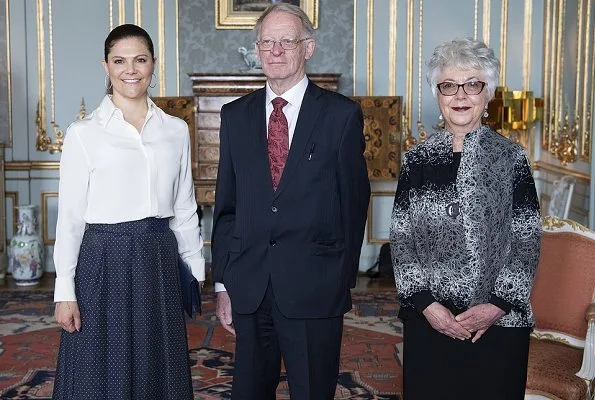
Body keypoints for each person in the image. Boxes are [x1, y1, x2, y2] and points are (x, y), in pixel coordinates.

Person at [211, 3, 370, 399]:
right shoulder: (235, 116)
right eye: (267, 42)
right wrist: (222, 283)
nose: (275, 51)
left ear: (309, 48)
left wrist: (339, 280)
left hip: (315, 287)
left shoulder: (341, 116)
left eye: (287, 41)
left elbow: (354, 205)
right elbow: (227, 206)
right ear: (257, 48)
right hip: (249, 286)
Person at [52, 24, 205, 400]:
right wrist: (64, 291)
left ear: (154, 64)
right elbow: (70, 219)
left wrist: (195, 270)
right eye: (119, 61)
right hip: (103, 258)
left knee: (158, 364)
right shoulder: (82, 134)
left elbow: (185, 207)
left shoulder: (175, 130)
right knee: (96, 364)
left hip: (159, 258)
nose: (130, 70)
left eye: (140, 60)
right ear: (106, 66)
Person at [390, 37, 541, 400]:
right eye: (448, 85)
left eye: (472, 84)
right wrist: (428, 305)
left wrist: (497, 306)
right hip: (429, 320)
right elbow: (401, 239)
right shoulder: (417, 161)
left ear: (487, 94)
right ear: (437, 94)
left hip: (498, 323)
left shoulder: (511, 159)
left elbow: (527, 240)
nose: (460, 95)